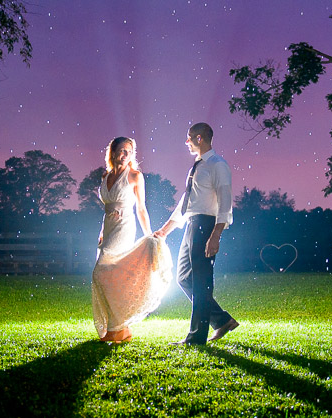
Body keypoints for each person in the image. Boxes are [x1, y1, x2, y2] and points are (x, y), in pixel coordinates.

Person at [154, 123, 238, 345]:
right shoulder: (197, 167)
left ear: (199, 138)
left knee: (201, 282)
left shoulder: (217, 165)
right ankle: (221, 321)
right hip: (192, 224)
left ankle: (196, 337)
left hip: (206, 225)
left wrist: (216, 234)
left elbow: (225, 201)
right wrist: (165, 229)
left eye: (188, 138)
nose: (186, 142)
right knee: (183, 277)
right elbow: (188, 200)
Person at [92, 136, 173, 343]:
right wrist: (102, 230)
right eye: (121, 150)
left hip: (124, 226)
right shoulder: (105, 175)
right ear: (113, 152)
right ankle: (121, 328)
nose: (125, 154)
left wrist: (148, 235)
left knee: (101, 271)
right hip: (108, 228)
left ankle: (115, 328)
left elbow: (141, 208)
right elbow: (107, 208)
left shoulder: (135, 176)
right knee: (112, 277)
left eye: (129, 151)